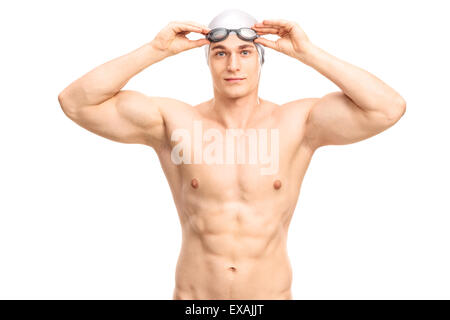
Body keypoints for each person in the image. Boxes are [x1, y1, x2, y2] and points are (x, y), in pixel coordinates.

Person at [58, 9, 406, 299]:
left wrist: (308, 53)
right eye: (220, 53)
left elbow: (387, 108)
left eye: (245, 52)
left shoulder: (297, 123)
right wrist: (155, 49)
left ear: (261, 60)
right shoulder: (176, 123)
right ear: (207, 62)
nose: (233, 65)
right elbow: (76, 103)